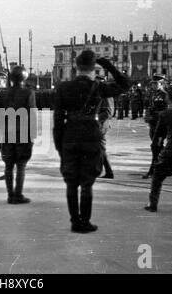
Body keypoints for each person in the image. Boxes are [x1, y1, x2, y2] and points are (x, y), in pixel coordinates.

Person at [54, 51, 130, 233]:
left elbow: (58, 121)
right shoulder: (98, 87)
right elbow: (126, 84)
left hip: (70, 137)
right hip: (91, 137)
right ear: (93, 68)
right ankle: (85, 222)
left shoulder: (63, 88)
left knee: (71, 183)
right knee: (87, 183)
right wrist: (109, 66)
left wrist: (59, 146)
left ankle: (74, 222)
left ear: (76, 67)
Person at [0, 66, 37, 204]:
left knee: (8, 166)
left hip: (6, 133)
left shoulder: (2, 94)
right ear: (24, 78)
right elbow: (32, 116)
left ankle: (10, 195)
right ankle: (17, 195)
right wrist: (32, 136)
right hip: (23, 133)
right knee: (21, 165)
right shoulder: (28, 93)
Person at [143, 75, 168, 179]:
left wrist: (154, 115)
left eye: (156, 83)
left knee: (155, 147)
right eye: (153, 83)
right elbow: (148, 106)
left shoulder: (165, 95)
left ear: (161, 84)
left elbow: (167, 111)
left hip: (160, 124)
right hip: (153, 124)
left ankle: (152, 171)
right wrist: (147, 115)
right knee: (157, 147)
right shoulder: (152, 94)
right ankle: (170, 161)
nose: (153, 85)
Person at [96, 75, 114, 179]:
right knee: (99, 148)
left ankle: (108, 171)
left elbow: (109, 112)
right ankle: (105, 171)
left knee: (100, 147)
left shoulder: (107, 94)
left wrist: (96, 117)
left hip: (103, 124)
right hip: (99, 124)